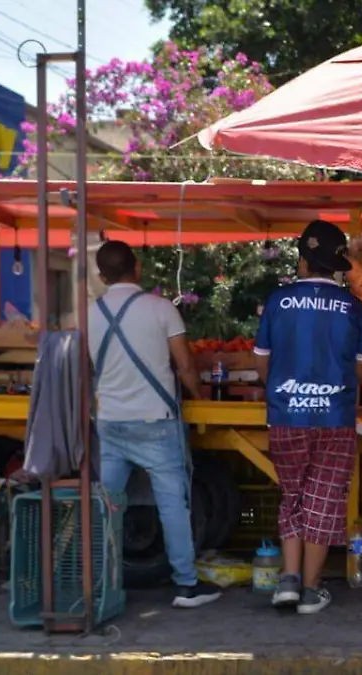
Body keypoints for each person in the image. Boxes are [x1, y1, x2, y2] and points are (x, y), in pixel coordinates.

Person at [89, 241, 221, 609]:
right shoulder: (161, 309)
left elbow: (84, 372)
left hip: (111, 423)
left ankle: (98, 582)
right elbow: (186, 367)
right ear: (138, 268)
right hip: (156, 422)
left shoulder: (89, 314)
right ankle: (186, 585)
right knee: (172, 505)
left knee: (108, 506)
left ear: (101, 276)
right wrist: (201, 397)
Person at [254, 219, 362, 615]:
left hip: (286, 414)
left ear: (303, 261)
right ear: (336, 264)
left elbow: (262, 364)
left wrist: (285, 391)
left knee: (293, 495)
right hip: (335, 416)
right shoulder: (354, 308)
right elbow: (359, 371)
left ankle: (287, 581)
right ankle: (310, 588)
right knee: (322, 498)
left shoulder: (277, 302)